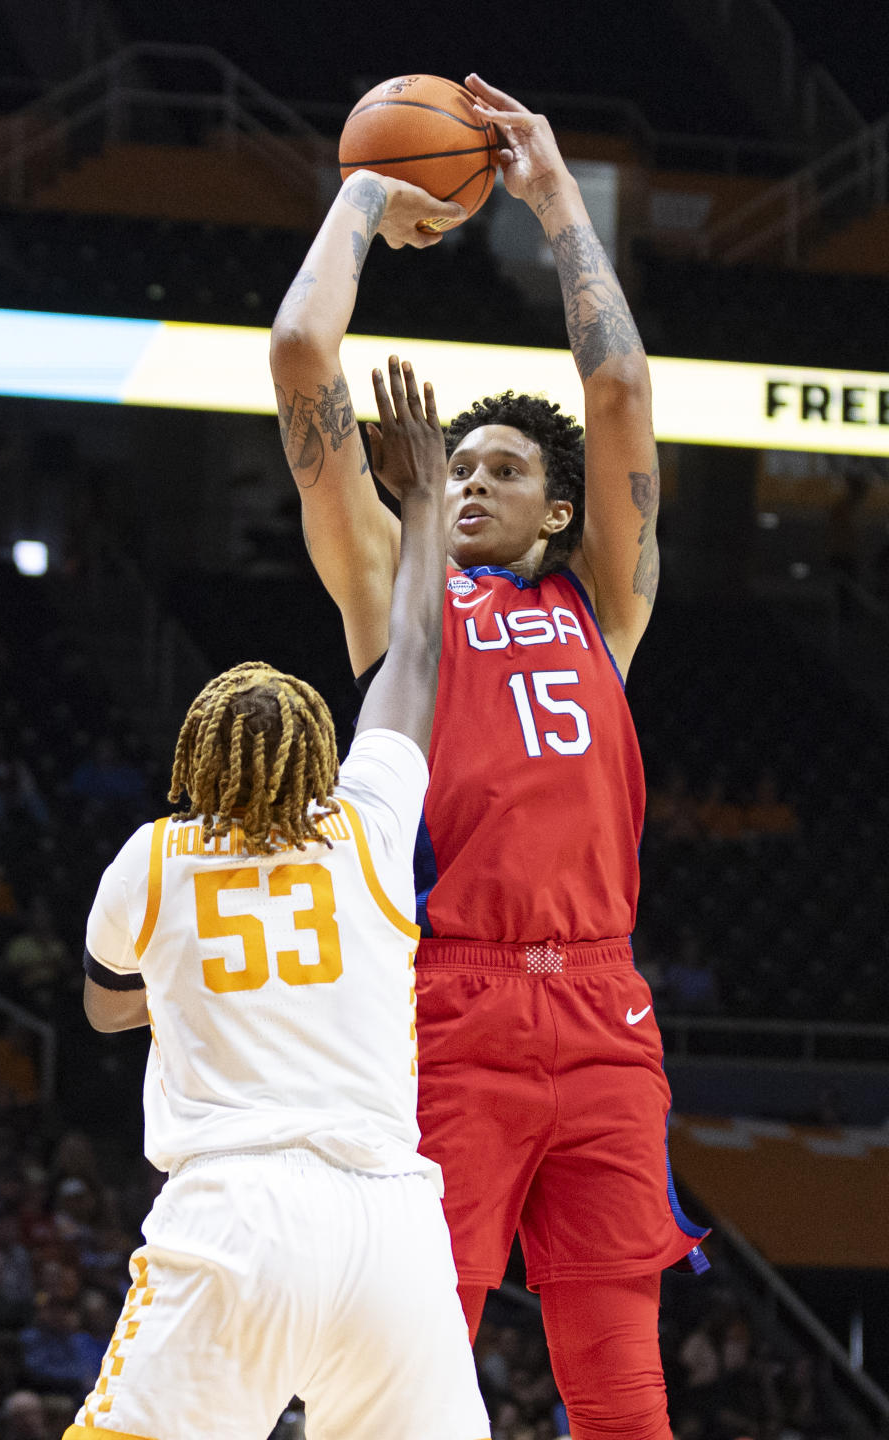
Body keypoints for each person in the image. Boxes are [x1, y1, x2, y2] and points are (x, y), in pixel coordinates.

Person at [269, 72, 709, 1440]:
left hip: (602, 1013)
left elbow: (623, 381)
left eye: (505, 468)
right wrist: (358, 198)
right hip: (446, 1010)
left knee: (623, 1387)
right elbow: (298, 352)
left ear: (563, 507)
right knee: (412, 1369)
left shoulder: (603, 605)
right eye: (457, 464)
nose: (470, 479)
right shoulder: (395, 604)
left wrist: (556, 196)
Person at [62, 363, 490, 1440]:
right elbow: (417, 655)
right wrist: (425, 504)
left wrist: (201, 994)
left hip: (238, 1214)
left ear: (197, 762)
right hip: (390, 1219)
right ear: (320, 757)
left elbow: (107, 1007)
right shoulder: (367, 826)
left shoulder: (154, 861)